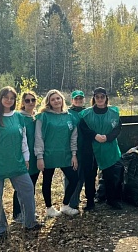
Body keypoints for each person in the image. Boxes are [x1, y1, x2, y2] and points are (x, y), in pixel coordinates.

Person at [0, 86, 41, 239]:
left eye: (12, 98)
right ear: (0, 99)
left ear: (14, 100)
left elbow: (23, 140)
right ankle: (0, 229)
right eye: (6, 97)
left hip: (17, 163)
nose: (8, 100)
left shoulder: (19, 117)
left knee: (27, 189)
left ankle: (29, 222)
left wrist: (26, 158)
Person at [35, 89, 79, 217]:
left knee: (74, 178)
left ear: (62, 100)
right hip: (48, 154)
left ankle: (65, 205)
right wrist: (39, 156)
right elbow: (39, 137)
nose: (56, 101)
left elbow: (73, 137)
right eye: (53, 99)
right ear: (48, 102)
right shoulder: (43, 116)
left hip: (65, 154)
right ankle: (49, 208)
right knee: (47, 181)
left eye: (58, 98)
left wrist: (74, 154)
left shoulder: (70, 116)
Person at [80, 87, 123, 210]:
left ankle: (111, 199)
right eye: (97, 97)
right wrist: (95, 136)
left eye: (102, 97)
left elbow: (118, 128)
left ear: (106, 98)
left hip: (108, 148)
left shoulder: (113, 113)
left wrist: (108, 137)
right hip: (91, 149)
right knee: (90, 176)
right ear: (94, 98)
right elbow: (84, 129)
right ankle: (90, 201)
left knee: (109, 175)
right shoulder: (86, 114)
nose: (99, 99)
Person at [12, 91, 40, 223]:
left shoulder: (36, 117)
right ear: (22, 102)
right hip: (23, 156)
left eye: (33, 100)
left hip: (35, 156)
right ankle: (17, 213)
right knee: (21, 186)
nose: (30, 103)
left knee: (31, 185)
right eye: (27, 100)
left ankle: (29, 211)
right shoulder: (18, 117)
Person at [63, 90, 87, 210]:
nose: (78, 101)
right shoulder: (67, 113)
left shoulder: (87, 112)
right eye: (76, 99)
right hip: (72, 149)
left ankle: (75, 199)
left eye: (80, 99)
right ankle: (69, 202)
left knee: (82, 175)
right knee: (71, 175)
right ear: (72, 100)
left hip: (85, 148)